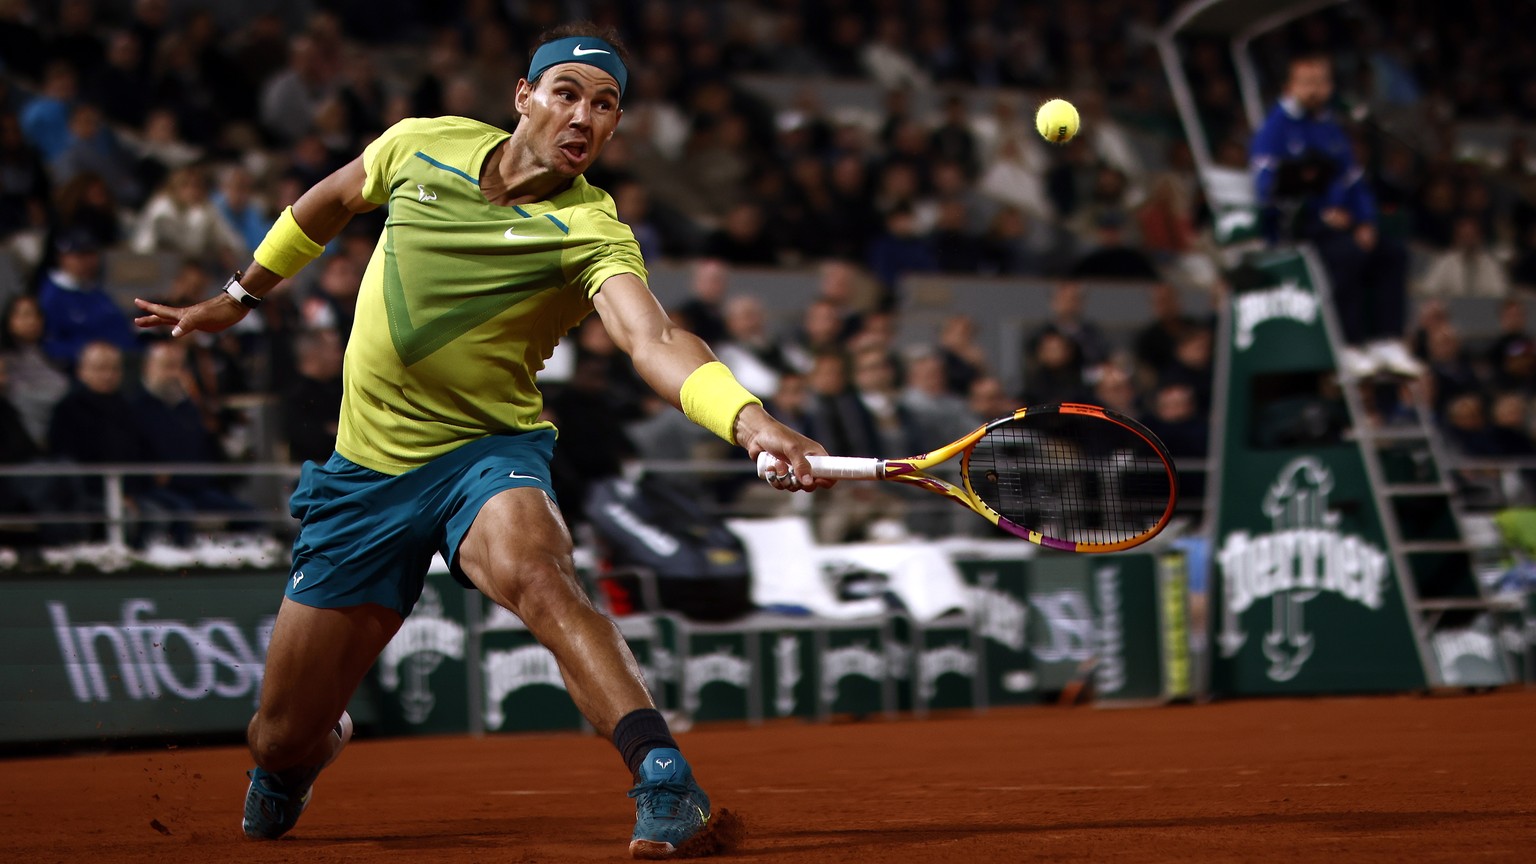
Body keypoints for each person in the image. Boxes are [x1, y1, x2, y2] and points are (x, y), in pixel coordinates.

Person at [132, 24, 825, 859]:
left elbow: (654, 340)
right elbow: (329, 199)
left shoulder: (590, 229)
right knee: (277, 738)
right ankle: (302, 757)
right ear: (523, 97)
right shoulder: (421, 146)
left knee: (541, 572)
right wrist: (238, 297)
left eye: (607, 106)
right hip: (365, 475)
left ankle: (663, 775)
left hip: (486, 451)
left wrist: (750, 418)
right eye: (568, 92)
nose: (586, 115)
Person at [1250, 55, 1412, 374]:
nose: (1314, 90)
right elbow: (1267, 189)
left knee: (1393, 254)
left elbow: (1354, 182)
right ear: (1289, 86)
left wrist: (1366, 222)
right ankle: (1348, 345)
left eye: (1321, 82)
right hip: (1299, 226)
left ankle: (1386, 341)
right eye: (1306, 82)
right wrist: (1322, 214)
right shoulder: (1275, 129)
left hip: (1344, 225)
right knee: (1347, 254)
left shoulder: (1331, 129)